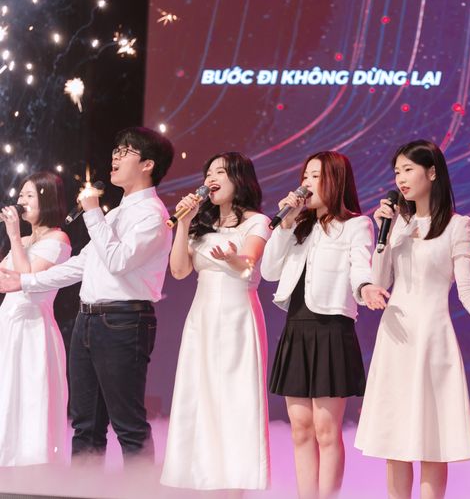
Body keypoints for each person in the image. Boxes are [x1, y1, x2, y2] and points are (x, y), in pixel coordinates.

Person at [354, 139, 470, 499]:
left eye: (408, 169)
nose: (401, 179)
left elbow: (467, 287)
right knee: (394, 439)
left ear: (432, 172)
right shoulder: (396, 224)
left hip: (432, 336)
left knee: (432, 440)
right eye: (397, 172)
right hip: (395, 337)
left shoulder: (458, 225)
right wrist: (384, 233)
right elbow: (380, 280)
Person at [0, 127, 174, 464]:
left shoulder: (152, 215)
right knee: (85, 424)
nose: (115, 156)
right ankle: (84, 486)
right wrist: (26, 282)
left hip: (123, 320)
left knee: (127, 422)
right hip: (88, 319)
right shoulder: (118, 212)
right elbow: (83, 264)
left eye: (126, 151)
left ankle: (139, 488)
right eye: (116, 149)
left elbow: (118, 261)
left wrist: (93, 211)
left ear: (148, 164)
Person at [261, 151, 388, 499]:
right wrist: (285, 225)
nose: (306, 183)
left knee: (326, 430)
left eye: (315, 176)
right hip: (297, 330)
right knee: (300, 429)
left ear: (335, 181)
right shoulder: (297, 227)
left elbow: (360, 265)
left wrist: (366, 287)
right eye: (305, 176)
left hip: (331, 330)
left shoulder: (356, 225)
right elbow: (269, 271)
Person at [160, 152, 272, 490]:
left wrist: (234, 259)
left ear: (239, 178)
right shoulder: (201, 226)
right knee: (199, 397)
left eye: (220, 172)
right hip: (202, 318)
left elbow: (249, 263)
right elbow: (179, 270)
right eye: (208, 172)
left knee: (236, 401)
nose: (211, 178)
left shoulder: (257, 222)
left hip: (238, 317)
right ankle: (204, 482)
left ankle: (235, 487)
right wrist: (184, 223)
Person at [0, 172, 71, 466]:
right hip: (7, 322)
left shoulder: (58, 238)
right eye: (21, 195)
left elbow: (26, 279)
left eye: (30, 195)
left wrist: (14, 236)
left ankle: (31, 464)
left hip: (32, 326)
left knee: (29, 392)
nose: (22, 201)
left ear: (48, 199)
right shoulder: (24, 239)